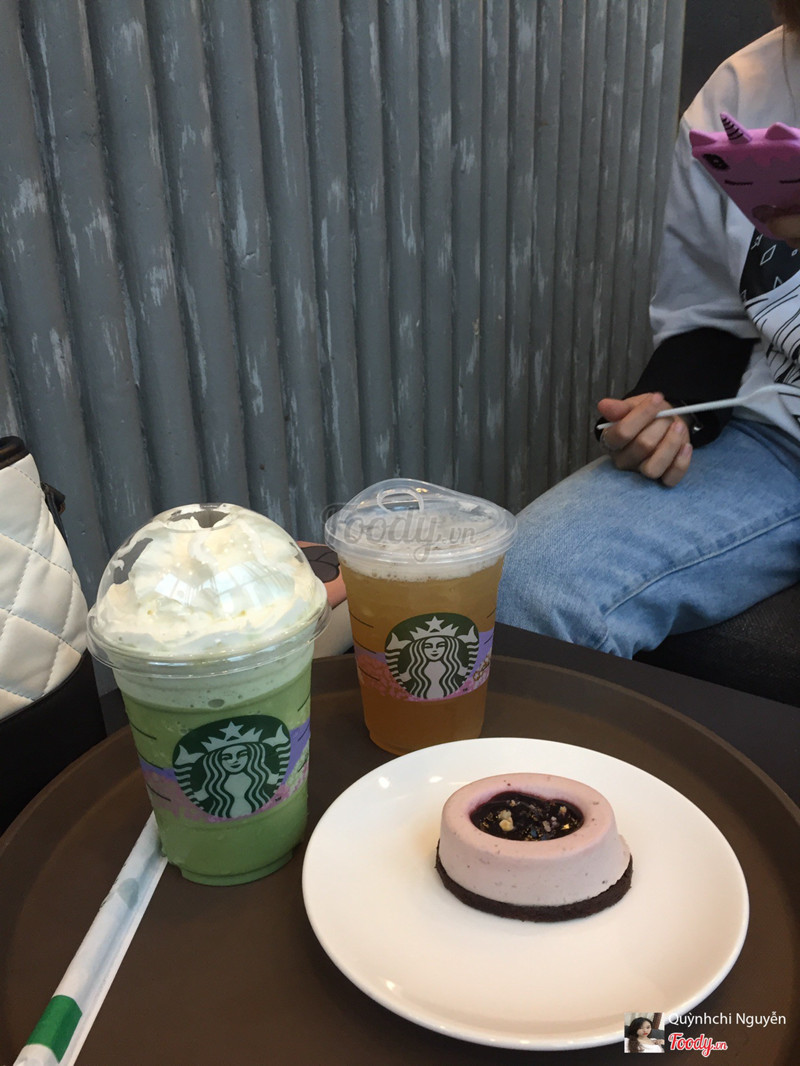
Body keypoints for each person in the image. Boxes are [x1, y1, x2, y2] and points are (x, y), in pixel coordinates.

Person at [497, 1, 800, 658]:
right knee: (526, 589)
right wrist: (672, 412)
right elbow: (711, 314)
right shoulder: (740, 93)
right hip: (778, 440)